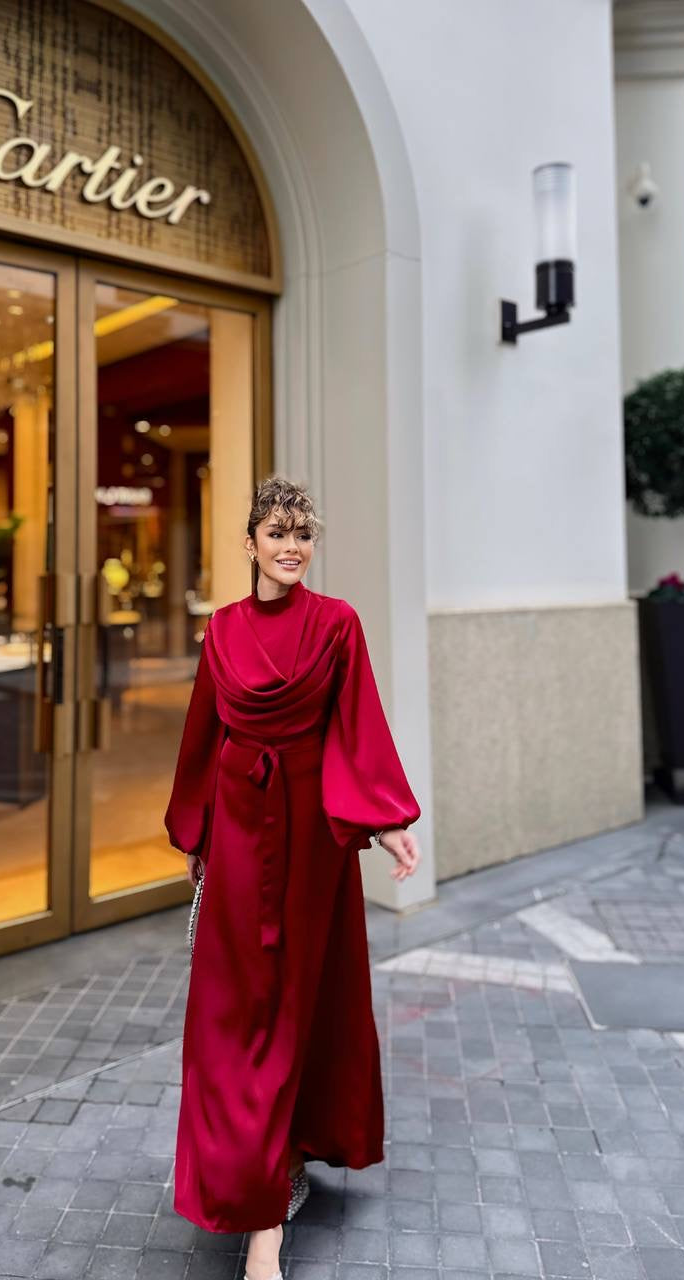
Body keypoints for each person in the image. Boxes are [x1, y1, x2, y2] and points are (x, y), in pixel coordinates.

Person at [164, 475, 422, 1280]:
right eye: (276, 533)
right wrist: (197, 834)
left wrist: (382, 820)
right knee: (241, 1008)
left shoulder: (337, 624)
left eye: (302, 534)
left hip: (311, 838)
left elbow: (358, 726)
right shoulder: (223, 629)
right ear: (249, 544)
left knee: (299, 1001)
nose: (290, 547)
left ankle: (268, 1210)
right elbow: (204, 734)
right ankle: (255, 1183)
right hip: (241, 838)